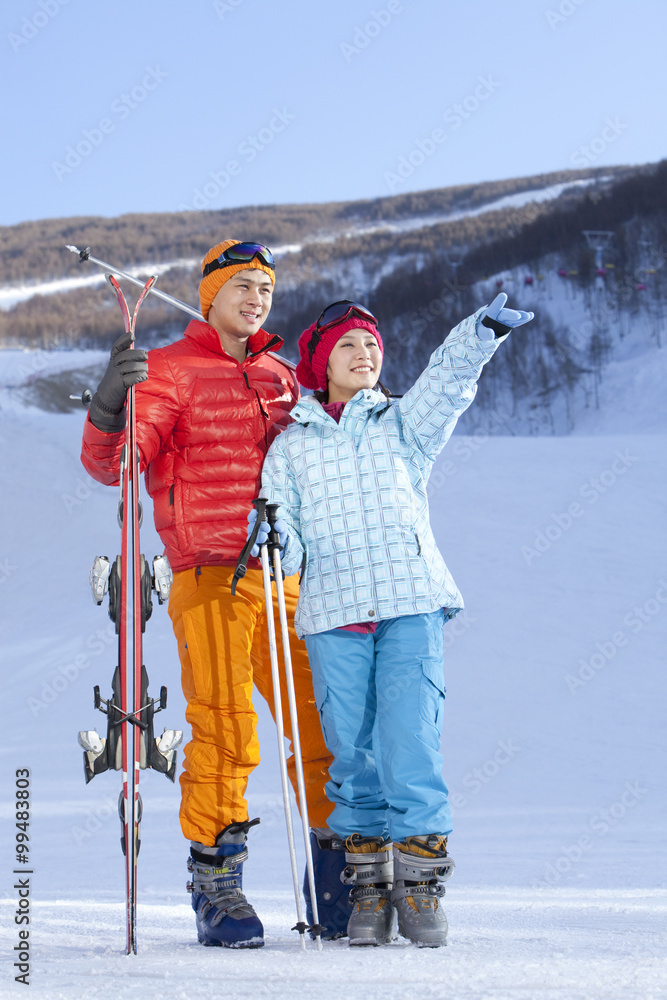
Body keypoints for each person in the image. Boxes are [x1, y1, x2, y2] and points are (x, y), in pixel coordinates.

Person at [253, 293, 534, 947]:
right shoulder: (291, 449)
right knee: (352, 759)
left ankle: (420, 885)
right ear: (321, 361)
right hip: (332, 616)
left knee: (411, 746)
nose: (365, 354)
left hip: (409, 606)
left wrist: (478, 333)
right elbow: (283, 531)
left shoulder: (405, 425)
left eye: (373, 345)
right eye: (349, 345)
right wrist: (269, 538)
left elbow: (446, 382)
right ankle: (370, 888)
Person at [80, 240, 338, 949]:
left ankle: (335, 870)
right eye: (242, 286)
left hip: (285, 575)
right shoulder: (167, 371)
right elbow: (113, 464)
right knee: (227, 727)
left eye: (265, 288)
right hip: (210, 572)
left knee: (325, 721)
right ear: (209, 297)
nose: (256, 298)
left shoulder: (282, 377)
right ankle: (216, 880)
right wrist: (110, 403)